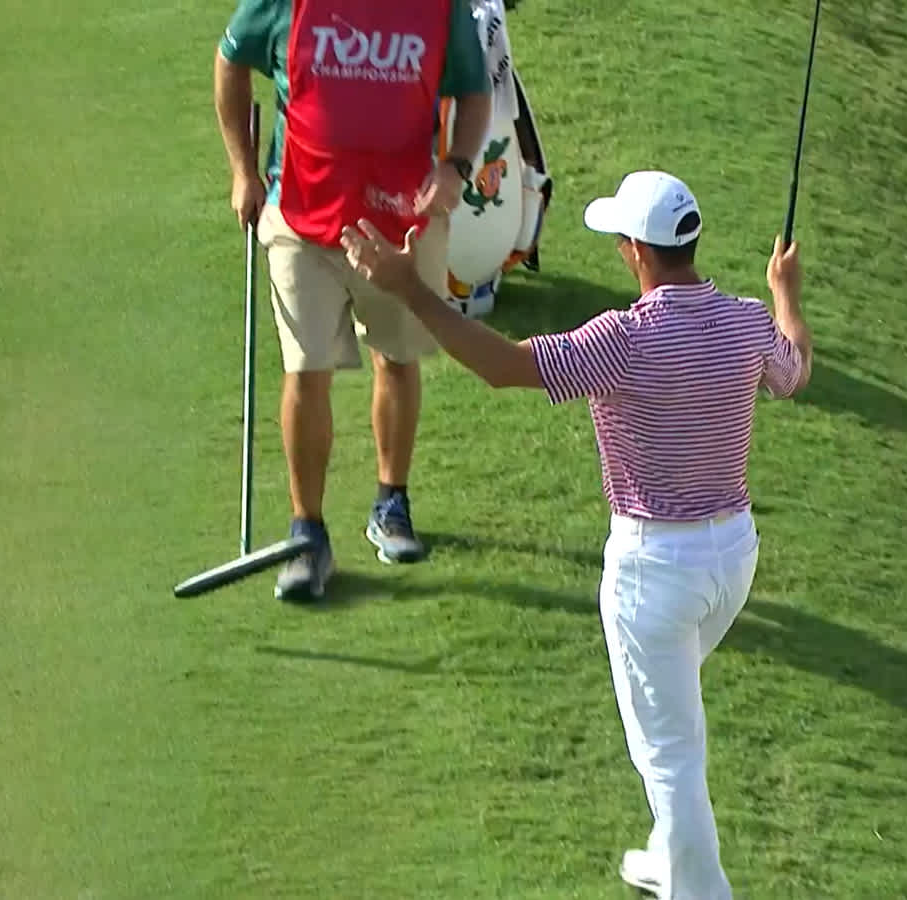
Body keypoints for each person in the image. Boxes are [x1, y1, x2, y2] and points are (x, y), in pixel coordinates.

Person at [337, 170, 812, 899]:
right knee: (671, 718)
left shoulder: (621, 340)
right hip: (732, 564)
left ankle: (700, 890)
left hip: (655, 572)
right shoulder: (747, 320)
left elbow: (502, 367)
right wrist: (784, 292)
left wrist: (411, 292)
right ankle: (668, 853)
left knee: (671, 754)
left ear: (634, 252)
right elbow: (793, 371)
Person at [213, 0, 493, 601]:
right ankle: (306, 533)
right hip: (300, 218)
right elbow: (231, 59)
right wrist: (243, 171)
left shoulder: (441, 7)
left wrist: (457, 168)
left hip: (404, 218)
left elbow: (474, 91)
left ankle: (391, 503)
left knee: (396, 359)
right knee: (306, 372)